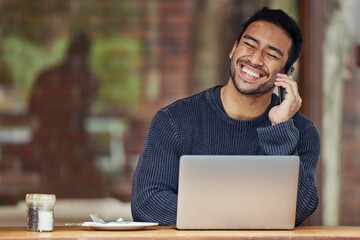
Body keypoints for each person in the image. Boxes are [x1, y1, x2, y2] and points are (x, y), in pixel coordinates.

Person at [131, 7, 320, 227]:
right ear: (233, 49)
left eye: (271, 54)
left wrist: (280, 129)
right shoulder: (173, 120)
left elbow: (299, 210)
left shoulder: (301, 131)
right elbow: (146, 203)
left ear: (286, 72)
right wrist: (242, 216)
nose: (255, 59)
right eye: (249, 45)